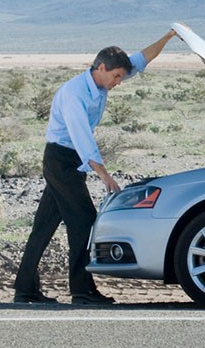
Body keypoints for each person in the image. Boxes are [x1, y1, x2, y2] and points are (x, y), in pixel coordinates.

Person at [12, 29, 178, 305]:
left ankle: (24, 289)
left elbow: (142, 58)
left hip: (67, 161)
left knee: (43, 227)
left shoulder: (104, 79)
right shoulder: (74, 93)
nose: (118, 83)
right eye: (115, 77)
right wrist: (105, 176)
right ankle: (82, 290)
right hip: (61, 160)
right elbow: (81, 138)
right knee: (85, 222)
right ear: (101, 67)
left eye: (121, 78)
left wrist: (170, 36)